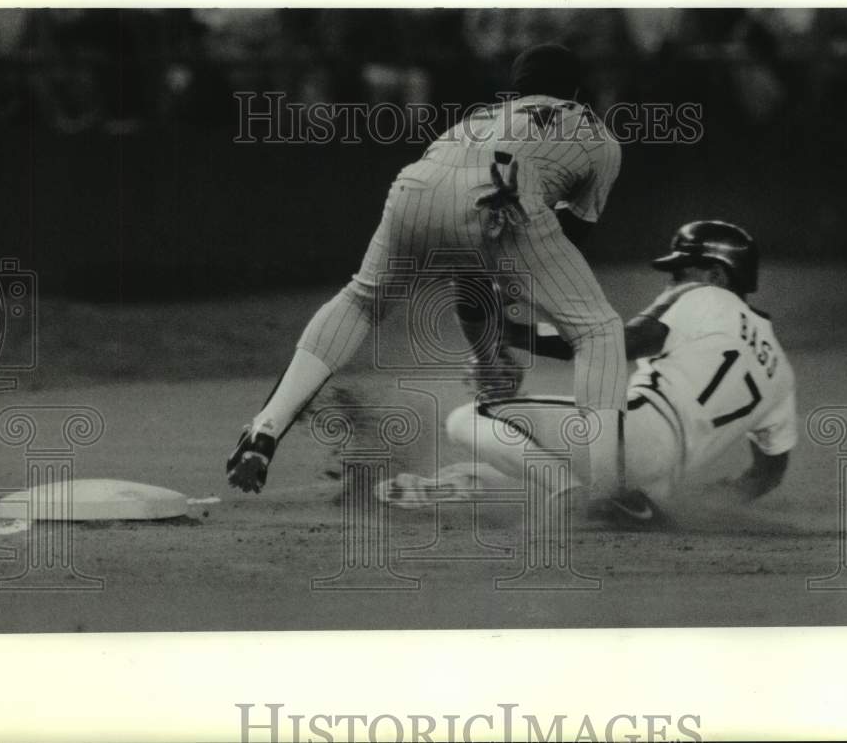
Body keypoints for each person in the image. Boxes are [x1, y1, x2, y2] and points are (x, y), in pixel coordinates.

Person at [227, 43, 638, 511]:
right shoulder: (596, 135)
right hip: (507, 191)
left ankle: (264, 427)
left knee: (361, 301)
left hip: (415, 185)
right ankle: (608, 491)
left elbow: (474, 273)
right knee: (598, 329)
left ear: (517, 88)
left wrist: (488, 355)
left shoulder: (478, 119)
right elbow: (550, 258)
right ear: (580, 89)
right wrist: (507, 338)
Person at [380, 221, 798, 528]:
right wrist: (708, 503)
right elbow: (768, 473)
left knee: (470, 420)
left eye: (680, 270)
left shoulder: (706, 296)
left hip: (632, 435)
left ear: (717, 275)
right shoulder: (781, 372)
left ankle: (577, 496)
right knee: (531, 466)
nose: (671, 280)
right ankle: (452, 486)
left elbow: (613, 344)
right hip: (657, 483)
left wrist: (513, 331)